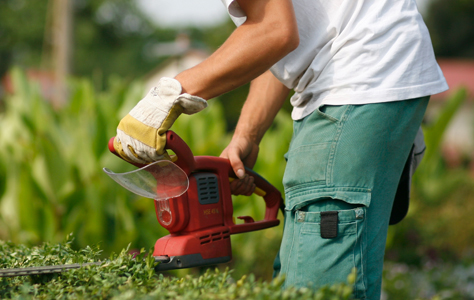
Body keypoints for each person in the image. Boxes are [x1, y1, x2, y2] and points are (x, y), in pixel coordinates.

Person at [113, 0, 448, 298]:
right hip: (367, 81)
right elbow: (283, 36)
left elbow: (275, 32)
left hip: (357, 83)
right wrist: (249, 133)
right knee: (298, 277)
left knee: (317, 285)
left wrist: (168, 95)